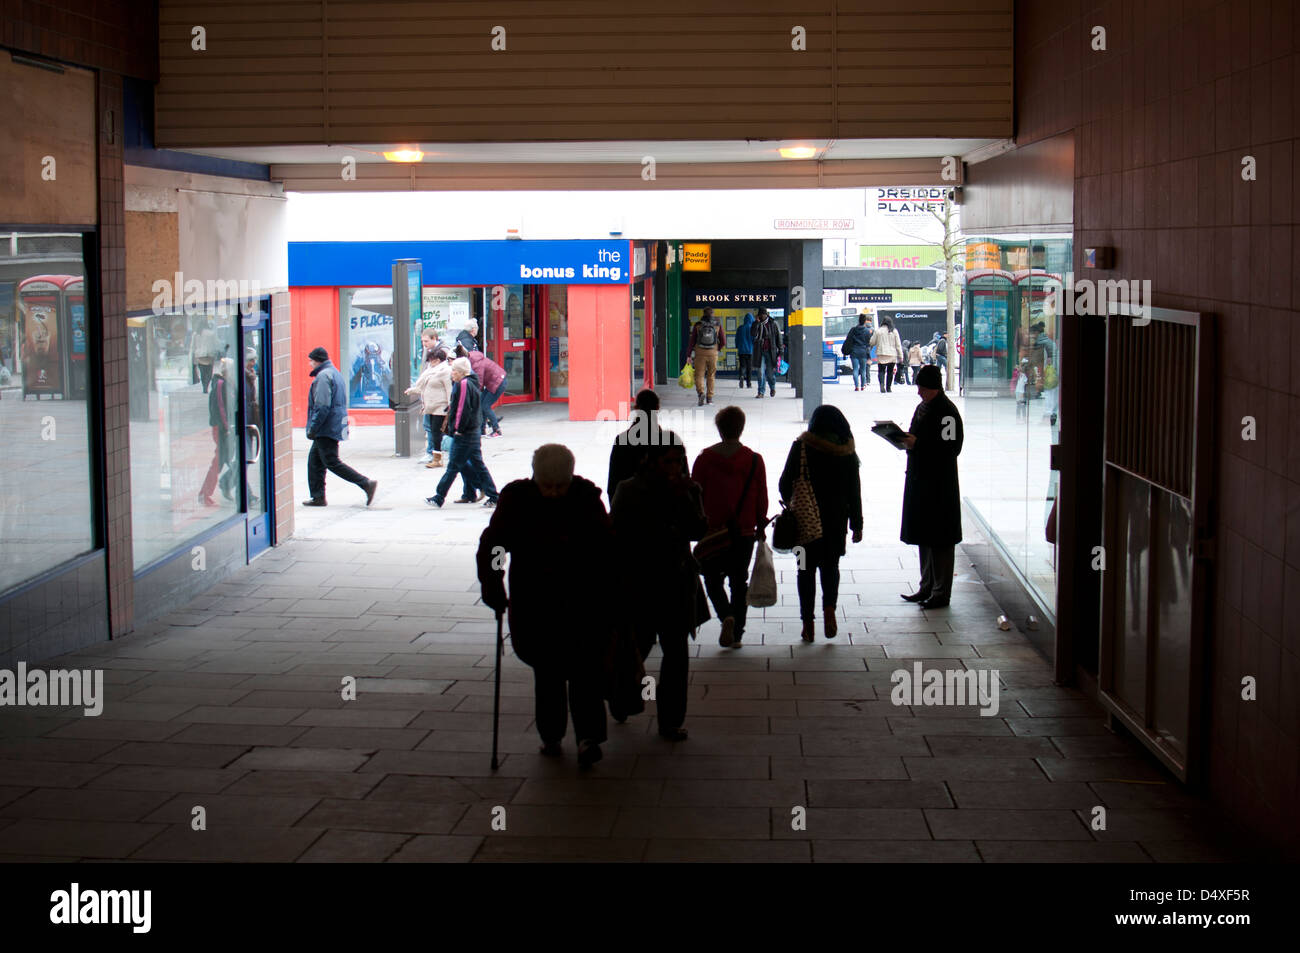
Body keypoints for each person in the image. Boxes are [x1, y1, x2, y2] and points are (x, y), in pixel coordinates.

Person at [478, 444, 613, 766]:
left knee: (584, 671)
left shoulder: (585, 499)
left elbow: (608, 552)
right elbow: (495, 545)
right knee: (549, 669)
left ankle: (587, 738)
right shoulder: (517, 500)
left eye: (560, 486)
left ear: (571, 477)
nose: (553, 493)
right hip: (535, 603)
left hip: (582, 602)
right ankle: (552, 735)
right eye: (547, 486)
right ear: (534, 476)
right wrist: (493, 585)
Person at [611, 441, 709, 741]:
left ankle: (670, 721)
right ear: (651, 461)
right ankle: (622, 698)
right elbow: (614, 534)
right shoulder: (629, 489)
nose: (676, 467)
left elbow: (698, 530)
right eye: (669, 461)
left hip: (676, 581)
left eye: (679, 461)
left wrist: (687, 497)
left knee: (677, 653)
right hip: (639, 582)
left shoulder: (688, 490)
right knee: (637, 645)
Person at [779, 405, 863, 642]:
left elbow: (784, 483)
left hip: (805, 527)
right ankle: (829, 610)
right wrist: (857, 524)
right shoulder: (847, 452)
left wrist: (792, 502)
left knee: (804, 570)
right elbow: (854, 491)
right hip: (835, 525)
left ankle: (808, 623)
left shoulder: (801, 447)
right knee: (831, 567)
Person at [691, 406, 768, 648]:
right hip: (743, 530)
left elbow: (695, 495)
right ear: (741, 428)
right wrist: (760, 522)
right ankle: (737, 634)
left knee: (712, 580)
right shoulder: (754, 460)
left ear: (720, 429)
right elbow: (761, 496)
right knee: (738, 581)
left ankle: (726, 616)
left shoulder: (704, 459)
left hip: (713, 531)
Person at [899, 365, 964, 609]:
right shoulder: (923, 408)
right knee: (924, 536)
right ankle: (926, 586)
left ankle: (940, 592)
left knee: (941, 539)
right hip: (922, 481)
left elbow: (951, 449)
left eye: (922, 388)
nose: (919, 392)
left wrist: (919, 443)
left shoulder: (947, 412)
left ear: (933, 387)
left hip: (940, 485)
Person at [304, 346, 378, 507]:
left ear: (317, 361)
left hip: (326, 427)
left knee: (331, 462)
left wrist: (313, 428)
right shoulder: (334, 373)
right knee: (314, 462)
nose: (309, 364)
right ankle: (318, 497)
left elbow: (322, 406)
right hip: (333, 424)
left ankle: (366, 483)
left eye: (311, 361)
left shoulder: (323, 376)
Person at [426, 356, 499, 508]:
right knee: (475, 465)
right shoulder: (470, 383)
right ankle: (484, 493)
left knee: (453, 465)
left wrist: (457, 429)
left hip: (465, 433)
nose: (451, 373)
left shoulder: (464, 384)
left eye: (454, 370)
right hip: (471, 432)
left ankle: (439, 497)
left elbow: (461, 408)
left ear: (460, 372)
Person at [607, 388, 687, 502]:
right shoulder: (671, 442)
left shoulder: (622, 440)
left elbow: (613, 484)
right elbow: (684, 478)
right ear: (658, 408)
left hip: (631, 507)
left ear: (636, 408)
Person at [199, 357, 236, 506]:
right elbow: (221, 408)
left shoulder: (226, 384)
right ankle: (205, 493)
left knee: (226, 462)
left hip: (224, 428)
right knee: (220, 462)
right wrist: (227, 428)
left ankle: (214, 490)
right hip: (221, 429)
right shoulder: (220, 384)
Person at [406, 347, 451, 466]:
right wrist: (413, 390)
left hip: (441, 406)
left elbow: (449, 390)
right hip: (429, 406)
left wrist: (450, 405)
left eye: (433, 360)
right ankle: (437, 456)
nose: (431, 362)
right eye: (430, 360)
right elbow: (424, 386)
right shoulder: (430, 371)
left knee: (437, 432)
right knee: (433, 431)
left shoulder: (445, 371)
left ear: (439, 359)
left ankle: (437, 457)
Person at [455, 344, 506, 437]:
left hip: (498, 382)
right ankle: (482, 430)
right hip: (495, 381)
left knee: (485, 406)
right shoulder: (472, 357)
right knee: (482, 404)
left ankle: (497, 430)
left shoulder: (476, 365)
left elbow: (478, 383)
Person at [688, 307, 726, 406]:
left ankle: (701, 393)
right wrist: (717, 349)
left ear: (703, 314)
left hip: (700, 353)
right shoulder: (717, 325)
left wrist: (688, 355)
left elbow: (692, 341)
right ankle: (709, 398)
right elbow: (723, 341)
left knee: (699, 375)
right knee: (711, 375)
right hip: (713, 353)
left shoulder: (698, 325)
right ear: (712, 314)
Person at [751, 308, 782, 399]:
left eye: (763, 315)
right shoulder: (756, 324)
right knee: (760, 372)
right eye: (760, 315)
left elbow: (778, 338)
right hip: (760, 351)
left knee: (770, 374)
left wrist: (780, 350)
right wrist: (756, 323)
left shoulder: (773, 324)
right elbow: (753, 334)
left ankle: (772, 387)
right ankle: (761, 392)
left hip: (770, 351)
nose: (761, 317)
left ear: (766, 315)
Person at [870, 317, 903, 392]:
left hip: (881, 353)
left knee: (881, 371)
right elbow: (898, 345)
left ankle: (882, 384)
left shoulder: (878, 331)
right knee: (890, 372)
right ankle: (888, 388)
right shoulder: (894, 331)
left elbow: (872, 342)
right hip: (892, 354)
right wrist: (900, 356)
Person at [842, 313, 872, 392]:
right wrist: (869, 356)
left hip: (854, 351)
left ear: (858, 320)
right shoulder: (867, 331)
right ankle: (862, 386)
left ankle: (856, 386)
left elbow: (848, 340)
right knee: (863, 370)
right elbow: (868, 343)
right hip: (863, 352)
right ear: (865, 321)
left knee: (855, 369)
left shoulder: (853, 329)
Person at [190, 318, 220, 393]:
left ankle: (204, 386)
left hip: (199, 356)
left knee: (203, 372)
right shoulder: (211, 333)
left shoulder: (196, 334)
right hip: (209, 356)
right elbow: (216, 343)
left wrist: (193, 356)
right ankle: (206, 384)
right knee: (209, 372)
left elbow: (193, 346)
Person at [735, 312, 754, 389]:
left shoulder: (740, 328)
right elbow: (753, 339)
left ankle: (742, 375)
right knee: (749, 367)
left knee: (742, 365)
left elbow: (737, 338)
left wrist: (737, 346)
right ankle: (748, 383)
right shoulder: (752, 328)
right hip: (750, 351)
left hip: (741, 350)